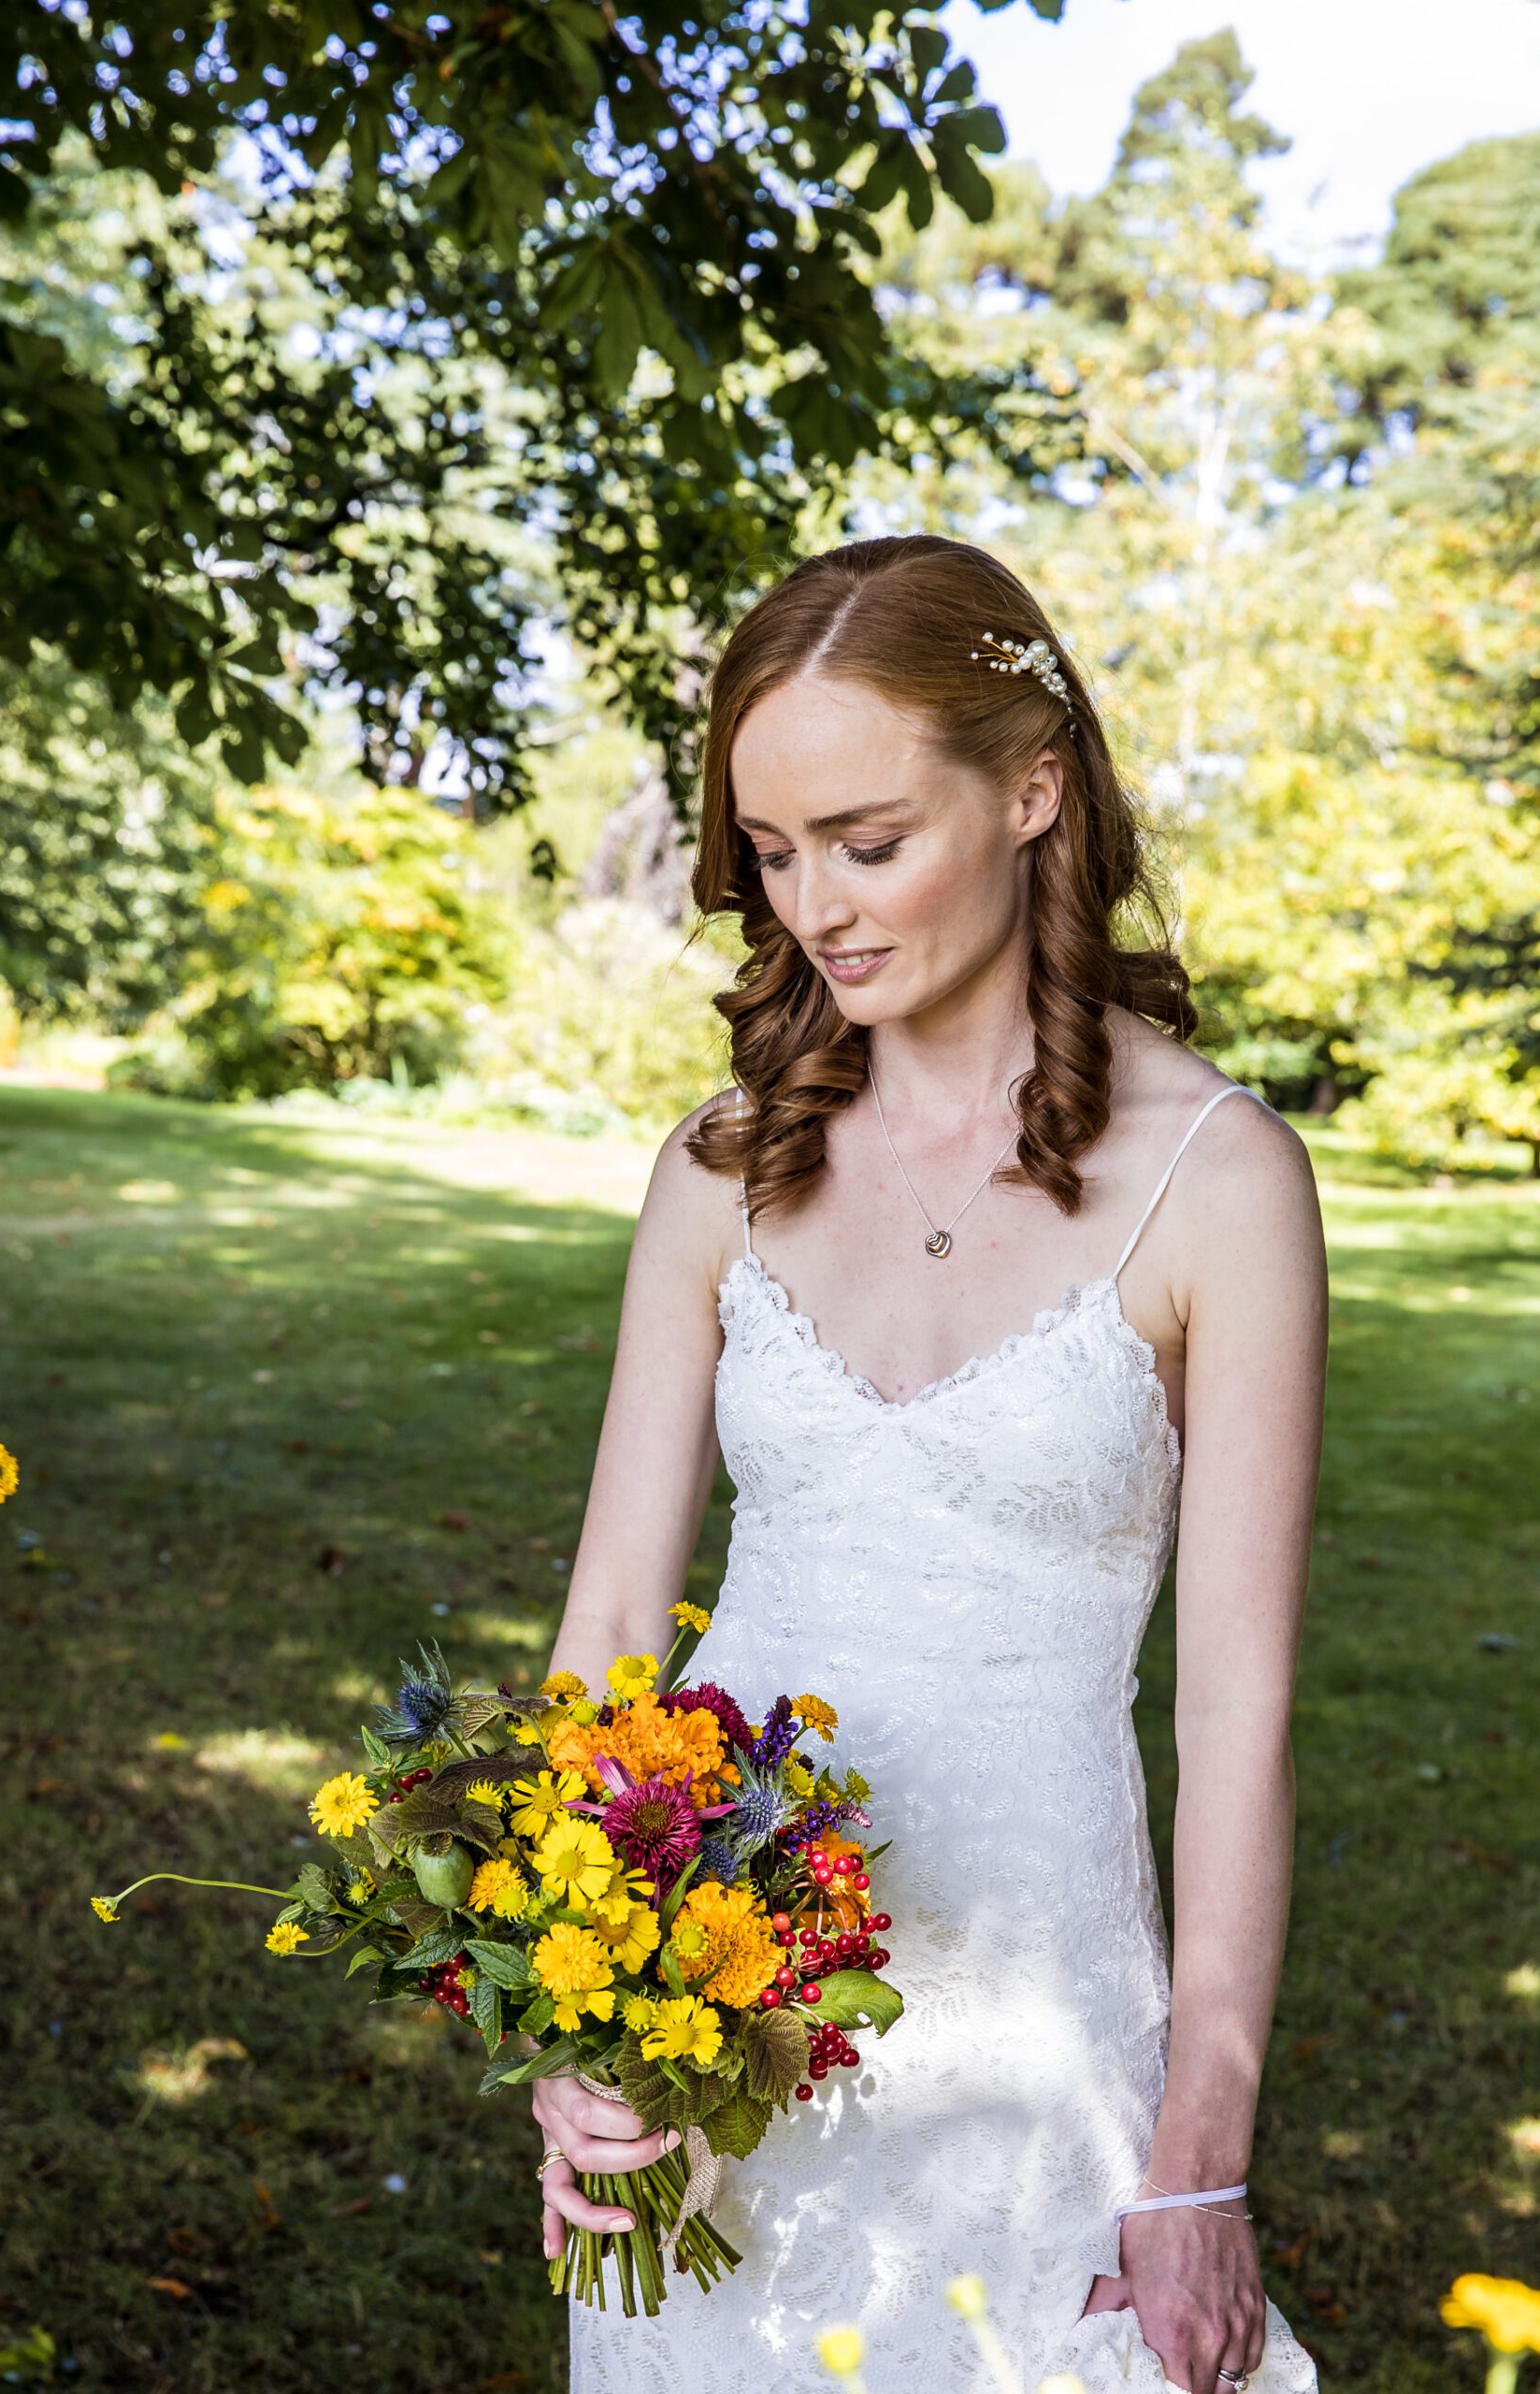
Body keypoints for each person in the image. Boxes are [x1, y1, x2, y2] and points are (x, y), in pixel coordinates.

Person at [531, 534, 1326, 2394]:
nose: (815, 902)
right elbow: (612, 1620)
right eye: (776, 853)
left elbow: (1235, 1710)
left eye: (865, 840)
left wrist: (1194, 2154)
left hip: (1035, 2014)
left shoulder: (1218, 1182)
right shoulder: (716, 1169)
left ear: (1030, 785)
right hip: (706, 1984)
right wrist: (574, 1999)